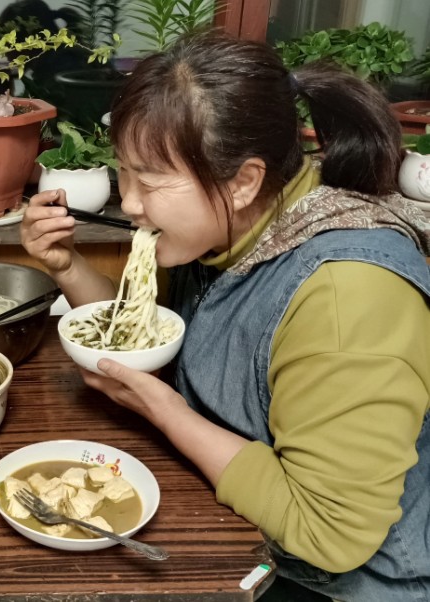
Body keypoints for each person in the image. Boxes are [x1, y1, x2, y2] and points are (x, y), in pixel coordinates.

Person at [21, 31, 429, 601]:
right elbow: (143, 337)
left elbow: (330, 534)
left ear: (243, 181)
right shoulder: (231, 227)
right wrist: (67, 266)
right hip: (241, 528)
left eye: (150, 178)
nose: (129, 202)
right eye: (123, 173)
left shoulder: (348, 295)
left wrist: (167, 413)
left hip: (335, 582)